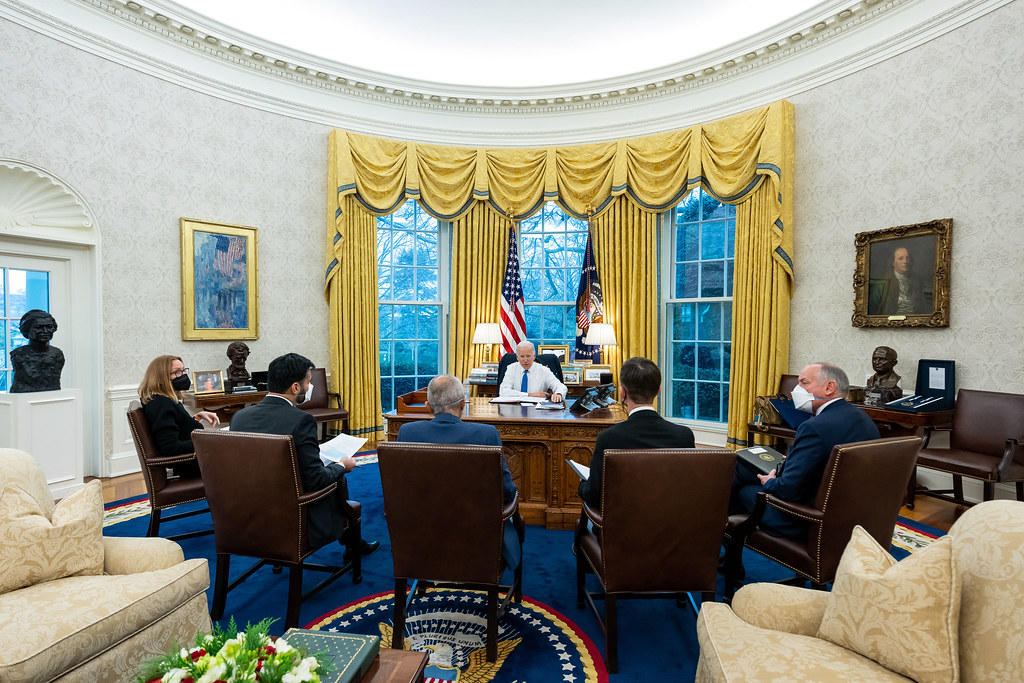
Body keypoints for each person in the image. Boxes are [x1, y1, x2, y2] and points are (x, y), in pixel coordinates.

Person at [230, 352, 379, 557]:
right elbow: (315, 479)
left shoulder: (240, 417)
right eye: (308, 383)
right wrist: (343, 465)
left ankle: (353, 542)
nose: (310, 389)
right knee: (338, 476)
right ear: (296, 387)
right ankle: (352, 541)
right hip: (293, 510)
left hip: (249, 508)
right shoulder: (301, 420)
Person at [730, 363, 880, 539]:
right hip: (847, 511)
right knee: (744, 467)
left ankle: (725, 542)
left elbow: (788, 490)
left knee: (740, 489)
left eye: (804, 383)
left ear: (829, 387)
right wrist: (795, 458)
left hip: (802, 519)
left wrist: (770, 482)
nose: (796, 390)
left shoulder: (814, 427)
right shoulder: (863, 419)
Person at [397, 374, 521, 569]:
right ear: (464, 404)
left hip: (422, 533)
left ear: (428, 406)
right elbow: (507, 491)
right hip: (475, 536)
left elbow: (402, 489)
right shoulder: (487, 434)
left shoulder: (407, 432)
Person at [578, 357, 695, 508]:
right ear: (658, 390)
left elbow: (593, 496)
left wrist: (583, 484)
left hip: (623, 526)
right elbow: (686, 488)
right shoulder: (684, 436)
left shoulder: (608, 438)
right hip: (670, 523)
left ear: (622, 393)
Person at [138, 355, 221, 478]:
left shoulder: (162, 400)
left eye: (183, 370)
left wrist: (198, 417)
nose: (182, 375)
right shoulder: (161, 404)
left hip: (197, 461)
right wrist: (208, 441)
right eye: (176, 372)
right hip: (193, 466)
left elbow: (179, 429)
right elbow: (170, 447)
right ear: (161, 376)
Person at [10, 309, 65, 393]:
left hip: (51, 399)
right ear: (27, 329)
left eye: (49, 327)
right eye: (38, 327)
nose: (45, 331)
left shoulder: (57, 354)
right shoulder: (18, 355)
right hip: (23, 398)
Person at [868, 245, 931, 315]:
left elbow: (922, 310)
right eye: (900, 258)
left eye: (908, 258)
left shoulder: (917, 282)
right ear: (893, 262)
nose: (905, 261)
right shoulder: (880, 286)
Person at [498, 341, 567, 402]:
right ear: (517, 357)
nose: (525, 360)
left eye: (528, 356)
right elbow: (503, 392)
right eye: (522, 356)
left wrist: (558, 394)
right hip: (515, 409)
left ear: (534, 356)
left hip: (536, 411)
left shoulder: (543, 370)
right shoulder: (511, 368)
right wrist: (530, 395)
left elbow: (560, 386)